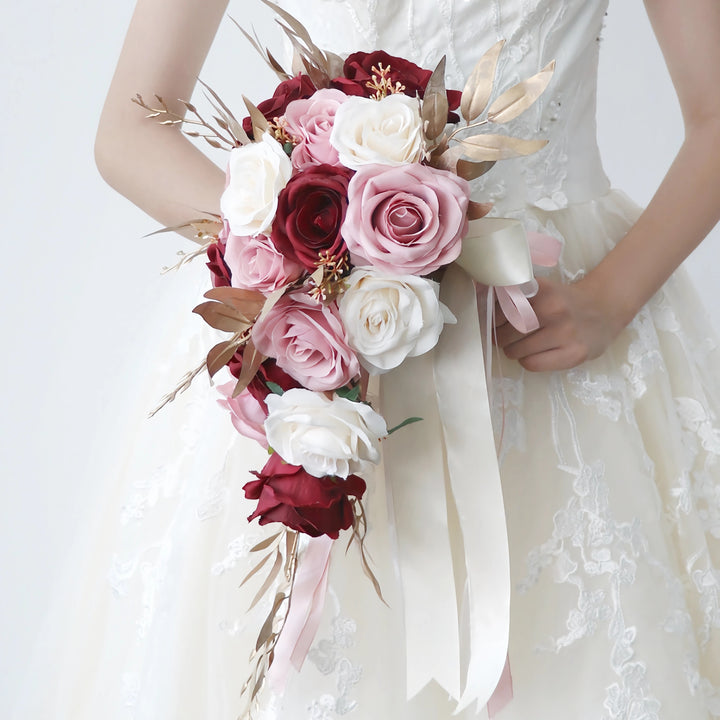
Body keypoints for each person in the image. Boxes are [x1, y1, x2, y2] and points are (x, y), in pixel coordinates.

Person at [15, 0, 720, 718]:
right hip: (314, 332)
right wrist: (294, 261)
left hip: (548, 321)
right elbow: (132, 127)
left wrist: (614, 294)